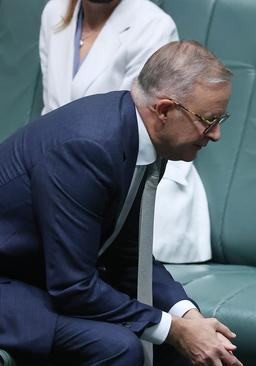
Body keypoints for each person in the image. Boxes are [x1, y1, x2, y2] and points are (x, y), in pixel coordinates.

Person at [0, 40, 241, 366]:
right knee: (119, 346)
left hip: (40, 273)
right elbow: (73, 286)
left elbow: (128, 256)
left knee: (177, 343)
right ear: (165, 111)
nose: (215, 135)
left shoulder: (146, 138)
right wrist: (174, 330)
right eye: (208, 120)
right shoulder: (87, 148)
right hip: (11, 282)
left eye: (219, 120)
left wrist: (188, 316)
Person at [40, 0, 212, 264]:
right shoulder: (55, 11)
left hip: (134, 183)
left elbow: (133, 131)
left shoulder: (153, 25)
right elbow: (51, 112)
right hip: (70, 173)